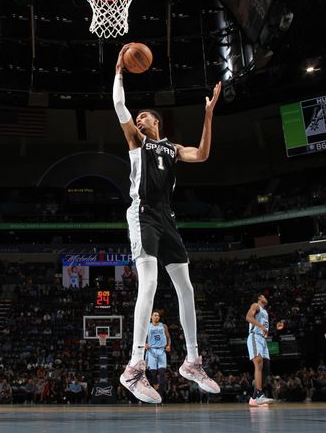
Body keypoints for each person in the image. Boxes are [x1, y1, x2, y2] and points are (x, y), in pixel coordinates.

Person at [112, 44, 222, 404]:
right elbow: (118, 106)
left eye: (144, 116)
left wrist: (208, 115)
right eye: (137, 116)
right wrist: (119, 72)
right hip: (142, 213)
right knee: (150, 283)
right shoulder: (136, 141)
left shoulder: (171, 148)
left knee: (186, 288)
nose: (139, 119)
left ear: (156, 121)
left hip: (167, 218)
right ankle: (134, 366)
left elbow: (202, 155)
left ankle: (192, 361)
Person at [245, 294, 276, 406]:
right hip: (255, 337)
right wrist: (261, 326)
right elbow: (248, 317)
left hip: (263, 339)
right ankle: (259, 394)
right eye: (264, 296)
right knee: (258, 363)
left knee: (266, 369)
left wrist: (271, 329)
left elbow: (264, 328)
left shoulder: (266, 312)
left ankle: (254, 398)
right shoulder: (255, 305)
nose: (266, 298)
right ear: (259, 298)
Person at [145, 310, 171, 398]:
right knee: (153, 373)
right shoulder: (147, 326)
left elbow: (168, 337)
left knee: (162, 373)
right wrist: (145, 344)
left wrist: (168, 345)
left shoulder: (163, 326)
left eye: (158, 316)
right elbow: (142, 338)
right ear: (151, 317)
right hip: (151, 351)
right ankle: (156, 391)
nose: (157, 317)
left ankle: (160, 395)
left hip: (161, 350)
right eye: (155, 315)